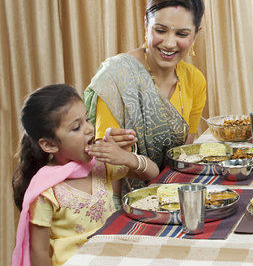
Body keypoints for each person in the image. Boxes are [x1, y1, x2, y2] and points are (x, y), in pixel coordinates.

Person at [83, 0, 207, 197]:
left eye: (182, 34)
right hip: (120, 200)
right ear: (145, 24)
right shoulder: (116, 77)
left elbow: (183, 156)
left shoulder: (194, 80)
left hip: (172, 192)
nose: (169, 43)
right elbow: (109, 167)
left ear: (196, 34)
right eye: (160, 30)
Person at [12, 84, 159, 266]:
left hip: (113, 257)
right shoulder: (46, 191)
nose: (89, 129)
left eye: (87, 119)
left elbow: (152, 174)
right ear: (50, 145)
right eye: (76, 128)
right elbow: (39, 250)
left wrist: (126, 157)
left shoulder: (99, 165)